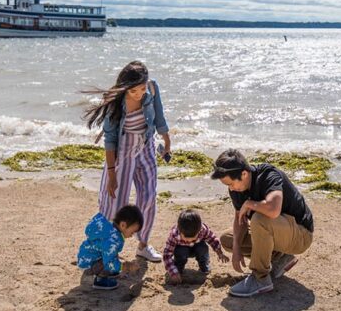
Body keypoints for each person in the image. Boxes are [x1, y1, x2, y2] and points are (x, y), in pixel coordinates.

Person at [84, 61, 171, 262]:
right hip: (122, 150)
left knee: (149, 197)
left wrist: (166, 140)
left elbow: (159, 117)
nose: (139, 94)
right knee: (115, 200)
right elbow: (110, 140)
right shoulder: (115, 101)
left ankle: (143, 245)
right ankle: (105, 245)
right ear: (125, 87)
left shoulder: (151, 88)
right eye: (133, 91)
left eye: (142, 89)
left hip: (146, 146)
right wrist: (112, 175)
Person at [211, 149, 314, 297]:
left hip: (300, 235)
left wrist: (250, 204)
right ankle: (280, 258)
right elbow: (239, 219)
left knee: (259, 219)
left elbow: (273, 210)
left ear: (244, 174)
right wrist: (237, 248)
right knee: (228, 239)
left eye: (231, 183)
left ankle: (260, 279)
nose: (230, 188)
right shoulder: (236, 189)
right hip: (279, 233)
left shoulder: (268, 175)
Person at [76, 204, 143, 290]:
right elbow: (109, 263)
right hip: (88, 265)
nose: (132, 235)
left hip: (84, 257)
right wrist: (126, 266)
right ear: (123, 225)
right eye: (132, 232)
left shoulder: (107, 224)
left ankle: (100, 271)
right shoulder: (113, 240)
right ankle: (100, 281)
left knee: (112, 255)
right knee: (111, 265)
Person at [162, 209, 229, 284]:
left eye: (193, 237)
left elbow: (213, 239)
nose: (189, 240)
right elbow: (167, 254)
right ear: (180, 231)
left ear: (199, 230)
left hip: (197, 248)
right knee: (181, 252)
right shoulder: (174, 234)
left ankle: (204, 266)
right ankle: (178, 268)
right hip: (182, 250)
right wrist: (172, 272)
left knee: (202, 248)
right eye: (186, 238)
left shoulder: (203, 229)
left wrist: (219, 253)